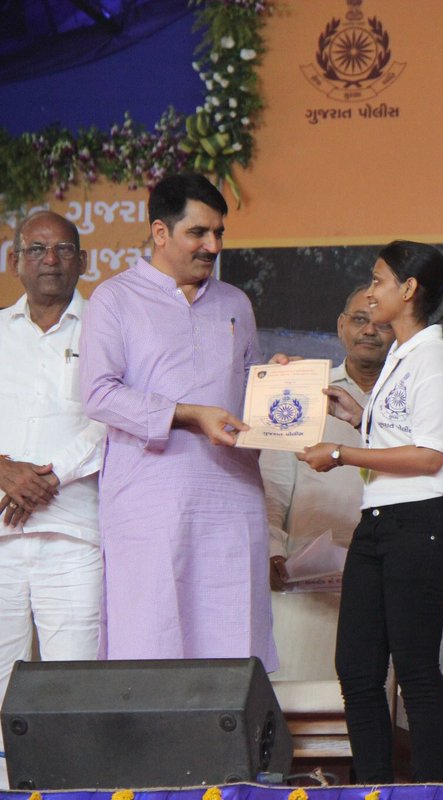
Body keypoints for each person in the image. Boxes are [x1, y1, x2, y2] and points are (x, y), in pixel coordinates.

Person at [80, 173, 277, 670]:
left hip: (232, 499)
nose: (212, 246)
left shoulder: (236, 303)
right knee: (152, 643)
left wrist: (277, 385)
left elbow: (248, 389)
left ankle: (229, 750)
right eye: (198, 233)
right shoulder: (114, 299)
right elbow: (99, 394)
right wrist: (189, 415)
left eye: (219, 233)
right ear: (160, 233)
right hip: (151, 503)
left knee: (232, 645)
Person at [298, 241, 443, 783]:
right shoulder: (403, 353)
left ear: (407, 290)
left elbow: (428, 455)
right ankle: (373, 787)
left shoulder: (434, 354)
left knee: (417, 672)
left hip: (422, 523)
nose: (371, 291)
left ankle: (426, 792)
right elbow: (404, 435)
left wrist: (341, 453)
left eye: (378, 281)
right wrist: (356, 417)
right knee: (356, 669)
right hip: (381, 523)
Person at [0, 212, 105, 789]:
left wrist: (47, 476)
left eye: (63, 249)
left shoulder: (104, 331)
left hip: (74, 534)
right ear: (16, 260)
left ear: (82, 262)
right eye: (36, 248)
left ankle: (77, 789)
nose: (49, 259)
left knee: (73, 686)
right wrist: (4, 470)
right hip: (0, 537)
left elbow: (112, 420)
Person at [262, 285, 394, 586]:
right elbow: (274, 488)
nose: (370, 331)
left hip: (390, 569)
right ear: (341, 325)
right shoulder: (304, 390)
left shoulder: (410, 399)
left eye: (383, 323)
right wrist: (271, 551)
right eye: (360, 320)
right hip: (307, 572)